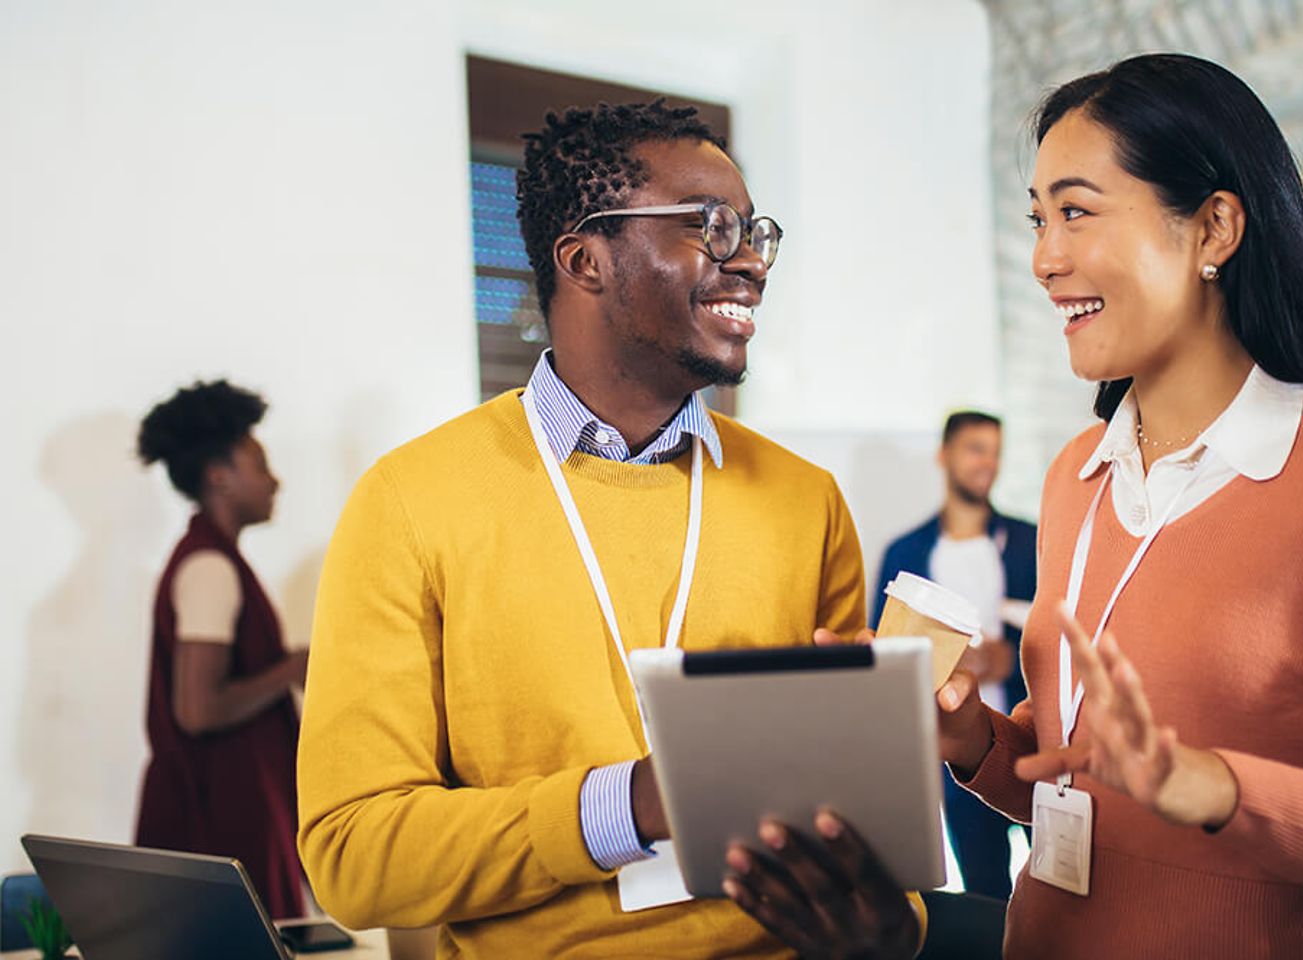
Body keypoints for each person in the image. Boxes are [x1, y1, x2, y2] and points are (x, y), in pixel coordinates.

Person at [725, 53, 1303, 960]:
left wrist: (1213, 787)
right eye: (1036, 220)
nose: (1044, 258)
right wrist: (971, 734)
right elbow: (1075, 784)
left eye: (1076, 211)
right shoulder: (1077, 475)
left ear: (1214, 226)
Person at [295, 101, 922, 958]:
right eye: (710, 227)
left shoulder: (805, 500)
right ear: (585, 259)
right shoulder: (409, 501)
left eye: (756, 233)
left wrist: (892, 924)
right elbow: (354, 859)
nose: (750, 263)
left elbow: (864, 821)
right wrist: (628, 805)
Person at [135, 380, 309, 920]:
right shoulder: (209, 567)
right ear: (219, 477)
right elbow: (198, 708)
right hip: (218, 814)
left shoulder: (213, 558)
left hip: (228, 802)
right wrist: (292, 668)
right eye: (259, 464)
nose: (274, 480)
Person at [873, 410, 1036, 900]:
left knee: (1059, 885)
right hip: (956, 752)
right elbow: (886, 655)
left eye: (994, 451)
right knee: (984, 892)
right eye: (974, 449)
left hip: (1034, 744)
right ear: (944, 456)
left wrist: (1019, 656)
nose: (987, 462)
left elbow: (1069, 629)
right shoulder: (906, 552)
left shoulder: (1032, 542)